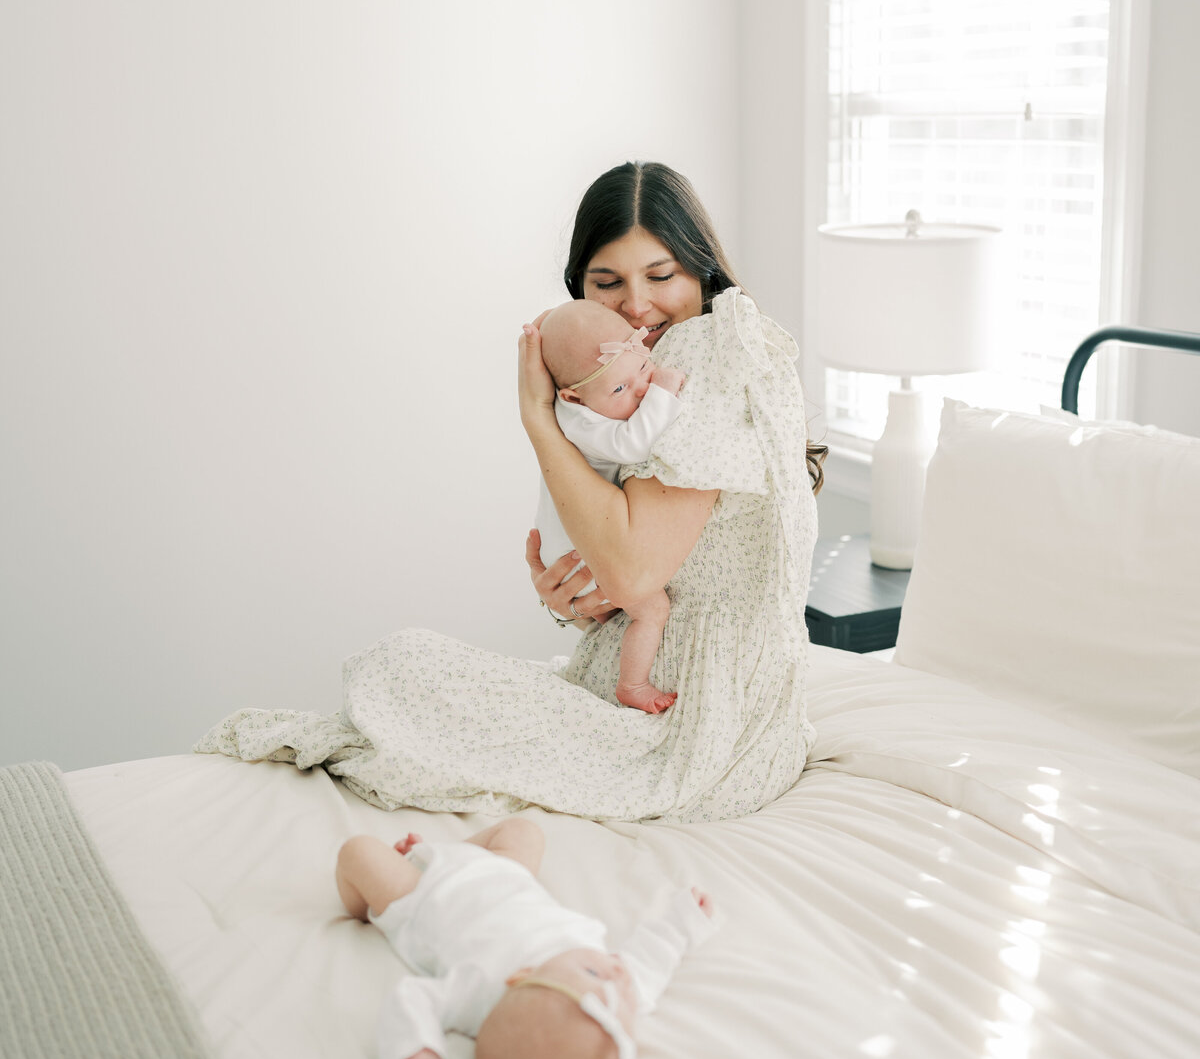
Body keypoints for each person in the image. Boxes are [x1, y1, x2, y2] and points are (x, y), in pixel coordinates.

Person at [197, 161, 827, 823]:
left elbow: (634, 565)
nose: (638, 306)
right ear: (578, 291)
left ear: (702, 271)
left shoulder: (709, 356)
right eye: (607, 283)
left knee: (402, 669)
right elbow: (637, 560)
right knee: (403, 666)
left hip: (702, 724)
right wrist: (583, 607)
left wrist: (537, 421)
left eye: (662, 276)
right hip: (627, 686)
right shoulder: (621, 378)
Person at [335, 818, 715, 1059]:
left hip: (418, 900)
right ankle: (435, 855)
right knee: (524, 831)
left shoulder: (479, 992)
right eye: (621, 990)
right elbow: (652, 959)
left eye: (596, 975)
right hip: (507, 876)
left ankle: (372, 897)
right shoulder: (619, 995)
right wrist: (683, 923)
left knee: (358, 852)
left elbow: (415, 997)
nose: (618, 975)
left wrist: (417, 1050)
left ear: (521, 978)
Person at [534, 300, 687, 714]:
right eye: (620, 389)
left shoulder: (583, 397)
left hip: (568, 544)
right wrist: (663, 390)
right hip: (577, 551)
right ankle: (632, 685)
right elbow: (634, 442)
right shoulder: (581, 420)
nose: (639, 389)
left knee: (615, 612)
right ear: (572, 396)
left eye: (642, 369)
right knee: (652, 608)